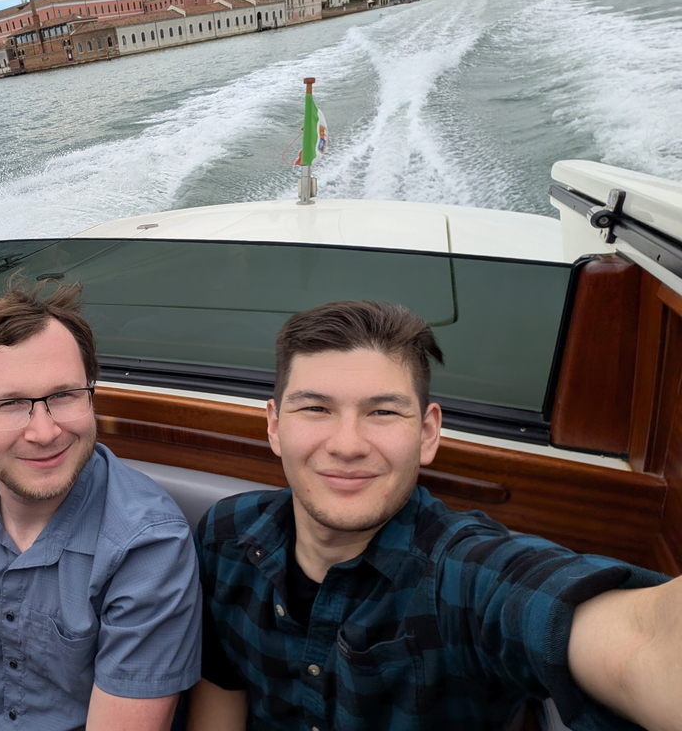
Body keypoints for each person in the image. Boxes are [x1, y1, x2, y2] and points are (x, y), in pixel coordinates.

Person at [189, 300, 682, 731]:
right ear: (275, 427)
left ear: (427, 434)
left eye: (382, 412)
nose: (346, 445)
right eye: (315, 408)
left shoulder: (466, 576)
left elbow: (641, 643)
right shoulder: (225, 535)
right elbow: (222, 686)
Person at [0, 283, 202, 731]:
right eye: (10, 403)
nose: (44, 432)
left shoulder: (149, 547)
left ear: (91, 395)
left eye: (63, 395)